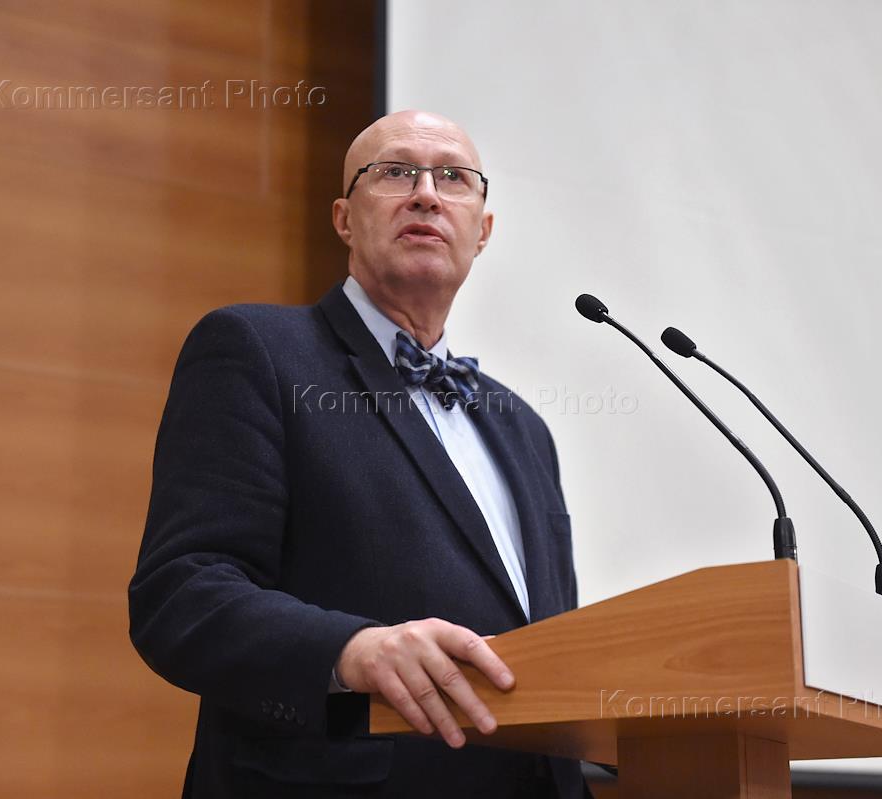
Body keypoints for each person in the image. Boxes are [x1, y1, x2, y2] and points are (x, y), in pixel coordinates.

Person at [129, 110, 586, 797]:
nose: (426, 193)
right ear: (344, 219)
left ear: (483, 231)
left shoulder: (522, 426)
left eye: (453, 178)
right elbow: (180, 594)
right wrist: (350, 650)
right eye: (396, 172)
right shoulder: (257, 352)